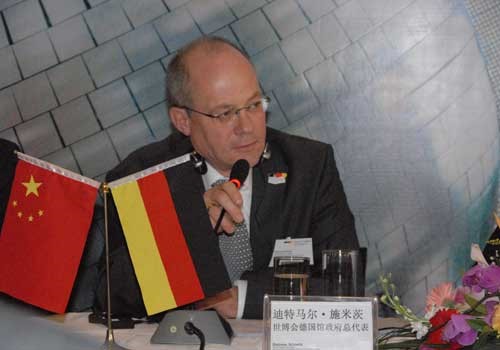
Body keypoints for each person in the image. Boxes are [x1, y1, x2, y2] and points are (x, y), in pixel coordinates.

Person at [95, 36, 358, 319]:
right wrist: (185, 228)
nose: (246, 127)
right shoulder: (141, 177)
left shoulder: (308, 166)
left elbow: (342, 284)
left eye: (254, 105)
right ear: (183, 120)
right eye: (224, 114)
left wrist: (241, 298)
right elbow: (111, 299)